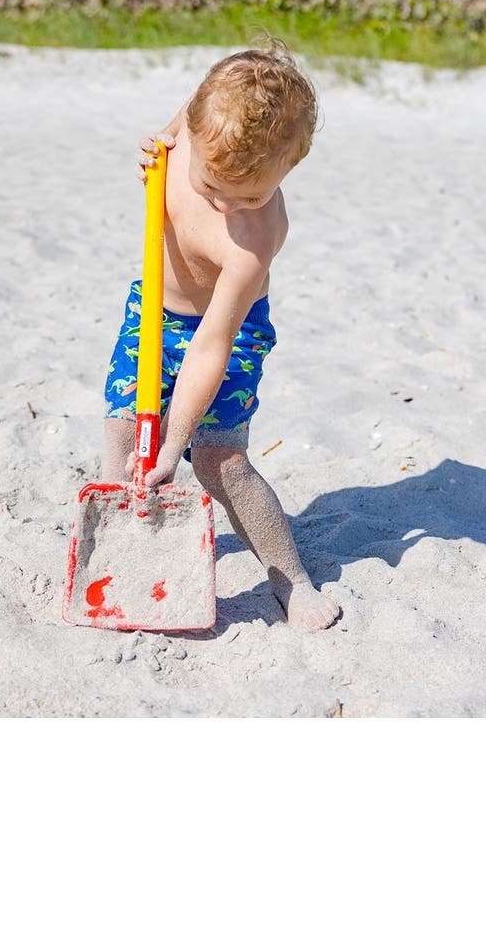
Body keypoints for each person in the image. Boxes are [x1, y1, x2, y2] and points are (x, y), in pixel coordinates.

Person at [102, 38, 340, 631]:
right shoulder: (199, 123)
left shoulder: (255, 240)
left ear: (290, 168)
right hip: (152, 313)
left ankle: (290, 579)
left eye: (252, 194)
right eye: (211, 187)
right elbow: (176, 127)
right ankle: (120, 553)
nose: (229, 206)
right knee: (123, 433)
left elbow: (211, 347)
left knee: (218, 460)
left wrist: (175, 443)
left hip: (227, 334)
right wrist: (155, 146)